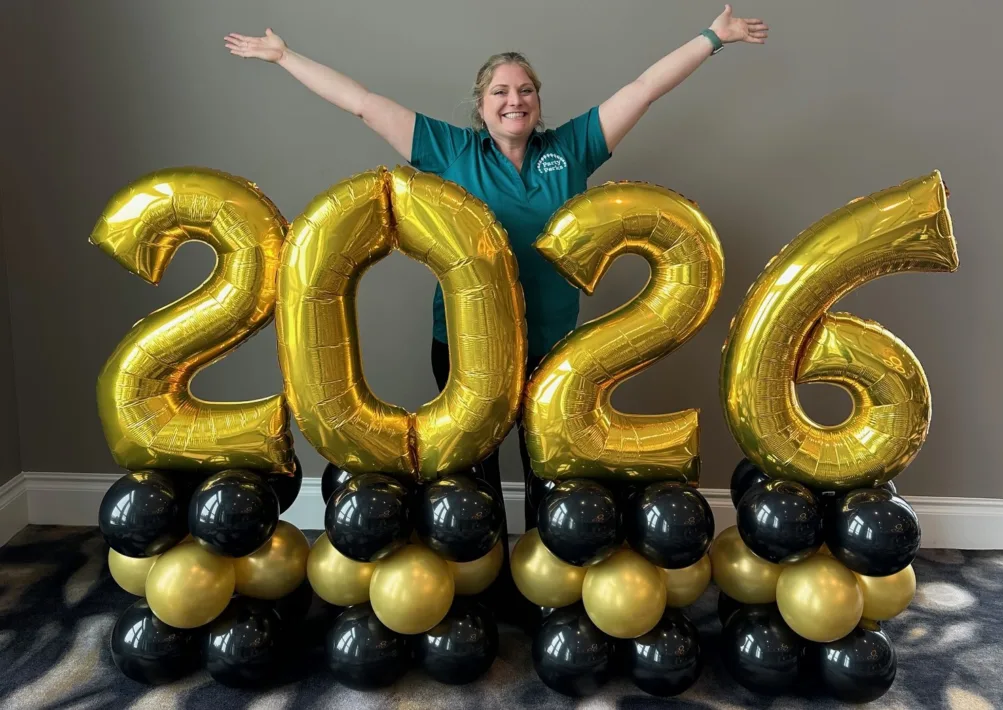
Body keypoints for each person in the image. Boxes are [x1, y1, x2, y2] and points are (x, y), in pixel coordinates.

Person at [226, 5, 767, 622]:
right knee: (473, 475)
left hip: (555, 349)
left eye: (526, 90)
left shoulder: (572, 148)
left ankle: (547, 589)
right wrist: (283, 55)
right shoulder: (451, 150)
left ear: (539, 101)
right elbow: (362, 101)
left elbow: (643, 89)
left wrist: (712, 38)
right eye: (501, 91)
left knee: (549, 470)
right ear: (480, 105)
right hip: (464, 349)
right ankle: (477, 591)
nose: (516, 100)